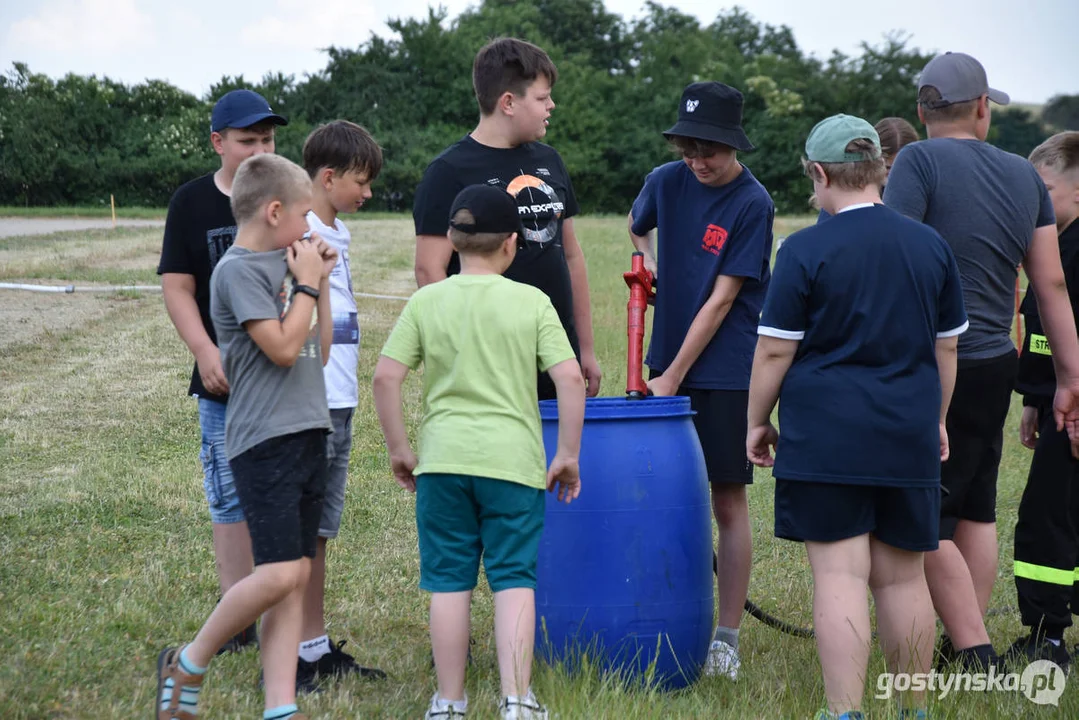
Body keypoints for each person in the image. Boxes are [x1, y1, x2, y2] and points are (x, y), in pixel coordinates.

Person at [748, 114, 968, 720]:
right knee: (903, 578)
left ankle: (844, 711)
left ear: (820, 174)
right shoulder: (931, 245)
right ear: (879, 169)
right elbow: (947, 346)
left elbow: (773, 348)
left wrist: (756, 421)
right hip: (908, 434)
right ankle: (913, 708)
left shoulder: (802, 248)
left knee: (840, 578)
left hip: (826, 438)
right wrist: (938, 418)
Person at [884, 51, 1079, 669]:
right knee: (976, 502)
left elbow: (892, 258)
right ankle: (960, 641)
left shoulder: (915, 159)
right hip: (997, 359)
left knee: (928, 511)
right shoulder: (1025, 177)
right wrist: (1072, 378)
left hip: (934, 361)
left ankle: (973, 650)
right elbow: (1049, 286)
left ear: (922, 109)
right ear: (982, 110)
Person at [373, 185, 585, 720]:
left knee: (449, 582)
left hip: (442, 464)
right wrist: (567, 453)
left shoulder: (426, 300)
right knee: (514, 578)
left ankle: (448, 702)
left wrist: (400, 448)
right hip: (512, 465)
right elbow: (570, 379)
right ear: (512, 244)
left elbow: (385, 377)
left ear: (450, 240)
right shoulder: (532, 302)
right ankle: (517, 700)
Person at [156, 153, 336, 720]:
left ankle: (279, 706)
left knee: (296, 574)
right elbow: (282, 349)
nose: (310, 229)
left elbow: (319, 351)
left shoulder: (291, 264)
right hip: (265, 440)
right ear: (274, 209)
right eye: (304, 216)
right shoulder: (235, 271)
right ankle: (189, 658)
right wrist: (306, 284)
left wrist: (321, 284)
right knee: (279, 572)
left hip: (308, 431)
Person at [627, 81, 774, 679]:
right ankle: (668, 611)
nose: (698, 161)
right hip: (668, 362)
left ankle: (726, 638)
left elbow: (720, 302)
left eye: (708, 150)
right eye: (688, 148)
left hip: (724, 371)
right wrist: (651, 261)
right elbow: (638, 226)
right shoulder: (666, 180)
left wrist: (671, 379)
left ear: (732, 144)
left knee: (726, 498)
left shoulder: (752, 203)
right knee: (663, 493)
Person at [157, 89, 287, 652]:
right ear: (218, 142)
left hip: (280, 377)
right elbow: (177, 287)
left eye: (268, 139)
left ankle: (278, 603)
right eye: (246, 140)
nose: (259, 149)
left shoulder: (285, 196)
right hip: (223, 382)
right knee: (229, 495)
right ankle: (236, 611)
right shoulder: (192, 202)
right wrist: (206, 353)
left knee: (279, 490)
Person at [412, 36, 601, 400]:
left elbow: (572, 255)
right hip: (488, 356)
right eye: (543, 98)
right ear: (509, 103)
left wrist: (585, 350)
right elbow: (429, 270)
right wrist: (462, 351)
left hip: (555, 349)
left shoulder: (550, 161)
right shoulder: (448, 171)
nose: (552, 105)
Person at [291, 119, 388, 687]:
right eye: (361, 180)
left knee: (319, 532)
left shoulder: (335, 232)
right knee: (299, 535)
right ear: (328, 178)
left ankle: (313, 646)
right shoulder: (301, 236)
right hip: (312, 405)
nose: (368, 192)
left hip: (339, 402)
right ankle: (289, 657)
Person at [1007, 131, 1079, 671]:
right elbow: (1039, 330)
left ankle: (1048, 639)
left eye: (1045, 188)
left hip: (1074, 409)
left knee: (1048, 518)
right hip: (1054, 402)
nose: (1035, 199)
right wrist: (1033, 396)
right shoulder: (1049, 243)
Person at [814, 116, 918, 221]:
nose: (893, 175)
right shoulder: (848, 199)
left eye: (902, 168)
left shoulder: (922, 192)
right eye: (887, 168)